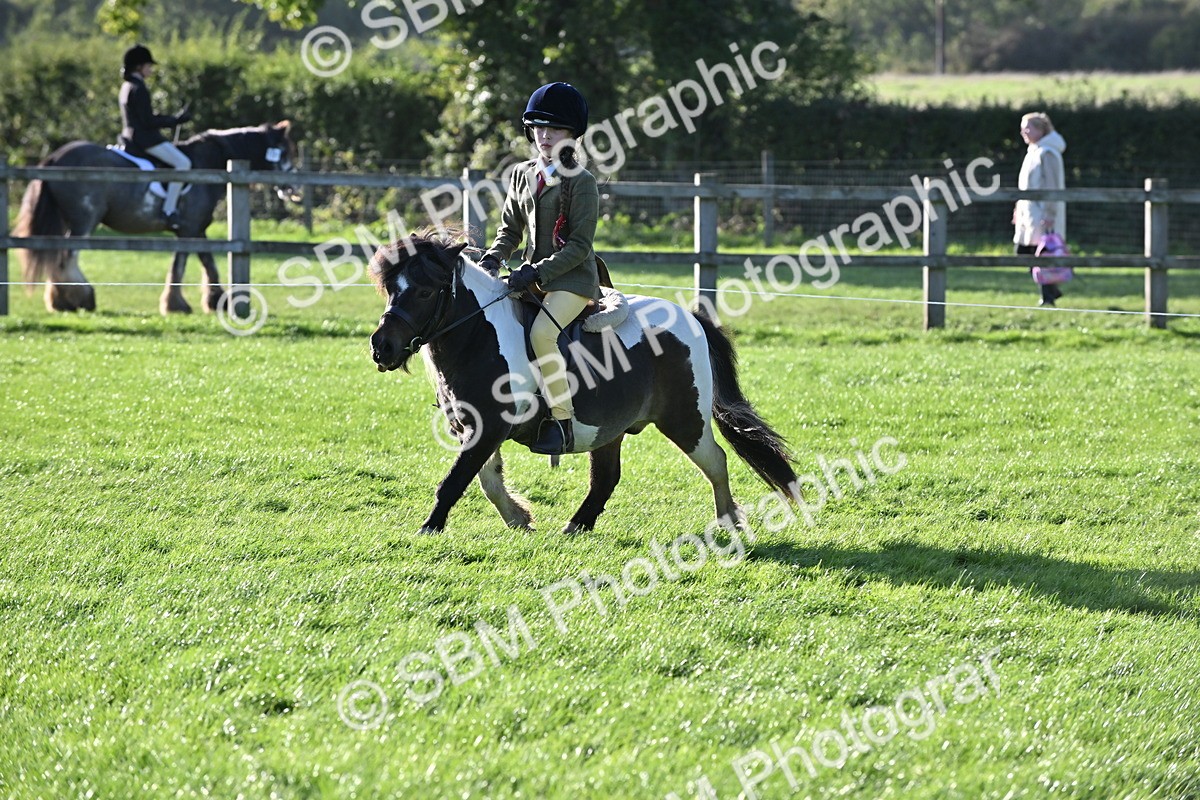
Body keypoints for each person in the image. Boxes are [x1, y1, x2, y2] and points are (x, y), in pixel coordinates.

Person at [480, 82, 601, 456]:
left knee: (542, 335)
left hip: (571, 281)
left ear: (572, 134)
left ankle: (562, 423)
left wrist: (536, 273)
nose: (544, 136)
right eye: (538, 127)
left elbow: (580, 247)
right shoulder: (521, 174)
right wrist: (493, 258)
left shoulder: (582, 183)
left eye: (555, 128)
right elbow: (509, 231)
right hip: (529, 278)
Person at [119, 44, 193, 231]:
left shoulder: (126, 86)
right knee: (183, 164)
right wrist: (175, 120)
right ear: (139, 67)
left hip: (130, 136)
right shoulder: (139, 88)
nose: (150, 69)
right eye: (148, 66)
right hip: (145, 139)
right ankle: (169, 211)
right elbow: (148, 121)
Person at [1012, 112, 1068, 306]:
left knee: (1041, 253)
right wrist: (1018, 209)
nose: (1023, 131)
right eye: (1022, 127)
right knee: (1025, 252)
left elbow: (1052, 186)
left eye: (1028, 127)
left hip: (1042, 212)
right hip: (1030, 213)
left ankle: (1048, 296)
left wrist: (1050, 213)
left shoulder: (1048, 153)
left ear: (1040, 129)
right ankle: (1052, 291)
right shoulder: (1034, 151)